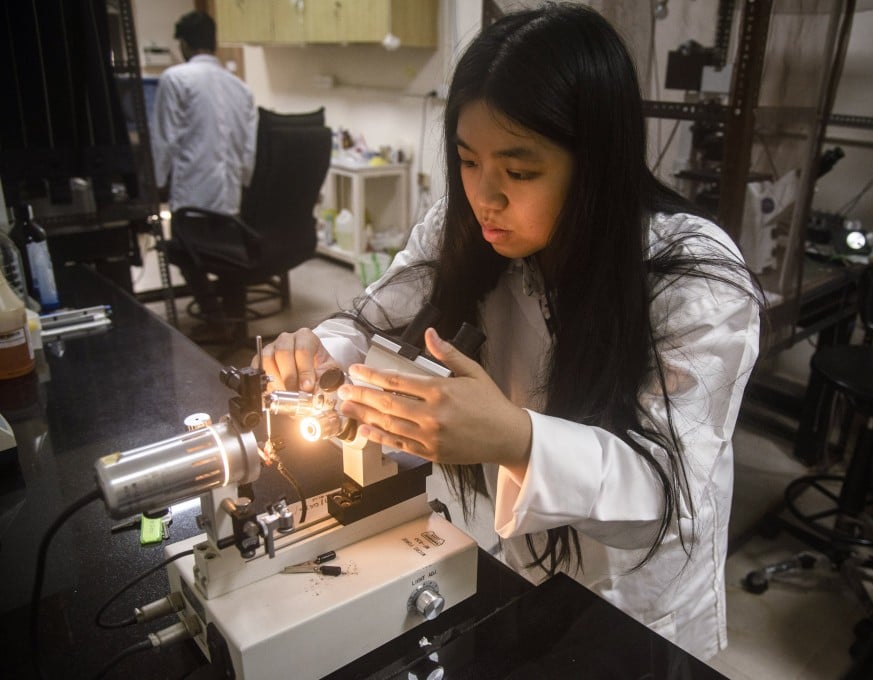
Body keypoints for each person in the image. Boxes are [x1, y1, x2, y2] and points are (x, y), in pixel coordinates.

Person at [256, 3, 761, 662]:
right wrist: (322, 349)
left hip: (641, 600)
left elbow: (669, 488)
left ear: (595, 165)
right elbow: (379, 311)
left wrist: (514, 438)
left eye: (520, 171)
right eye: (468, 161)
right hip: (524, 565)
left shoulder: (695, 278)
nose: (485, 196)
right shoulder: (469, 225)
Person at [151, 10, 257, 318]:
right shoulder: (241, 87)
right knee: (229, 259)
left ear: (183, 43)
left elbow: (165, 140)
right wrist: (244, 185)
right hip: (231, 198)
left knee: (185, 254)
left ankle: (212, 315)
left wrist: (156, 184)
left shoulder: (175, 78)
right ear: (214, 44)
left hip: (192, 197)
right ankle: (233, 318)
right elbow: (249, 149)